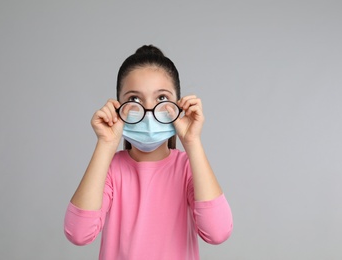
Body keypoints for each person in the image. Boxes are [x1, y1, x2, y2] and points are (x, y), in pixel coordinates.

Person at [64, 45, 233, 260]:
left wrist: (192, 141)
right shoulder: (110, 170)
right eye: (134, 99)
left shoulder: (188, 168)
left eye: (162, 98)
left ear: (178, 106)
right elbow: (78, 234)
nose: (149, 112)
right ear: (118, 107)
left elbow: (217, 233)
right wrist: (106, 143)